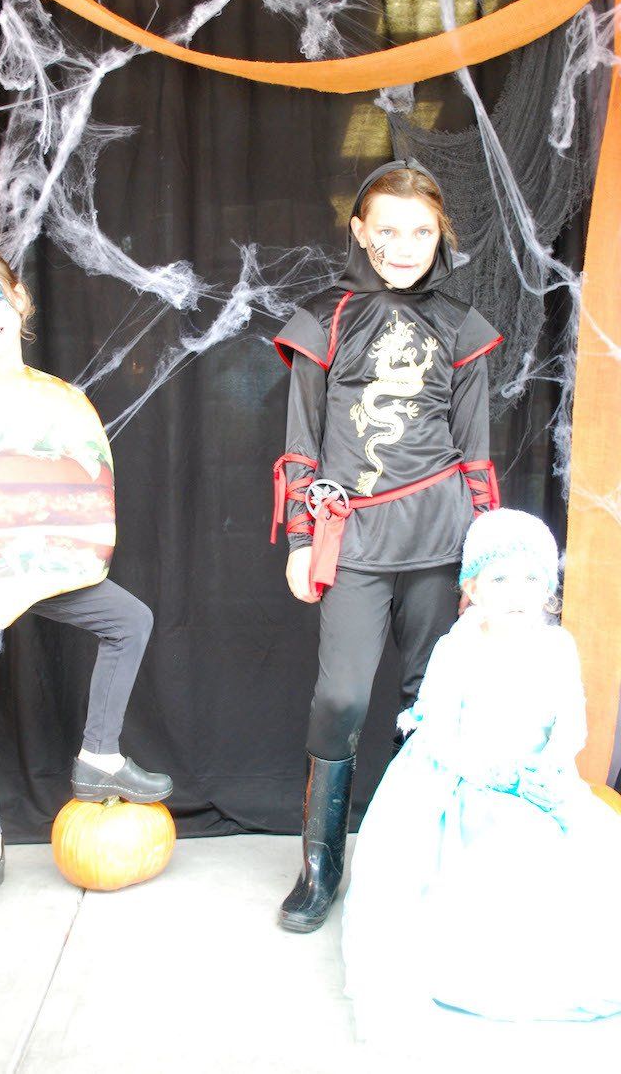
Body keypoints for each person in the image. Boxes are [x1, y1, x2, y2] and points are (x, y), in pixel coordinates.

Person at [0, 247, 172, 907]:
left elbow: (79, 483)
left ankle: (99, 755)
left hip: (34, 559)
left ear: (18, 301)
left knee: (128, 619)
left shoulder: (54, 401)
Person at [270, 160, 502, 932]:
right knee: (341, 696)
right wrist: (302, 538)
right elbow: (302, 444)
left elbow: (474, 453)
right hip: (356, 539)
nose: (405, 245)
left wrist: (486, 563)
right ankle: (320, 867)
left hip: (441, 538)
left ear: (441, 235)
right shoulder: (324, 320)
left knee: (429, 704)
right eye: (390, 229)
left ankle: (415, 862)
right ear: (362, 233)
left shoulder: (463, 326)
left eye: (422, 230)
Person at [341, 508, 621, 1031]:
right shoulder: (459, 646)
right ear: (472, 587)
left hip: (538, 778)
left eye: (532, 579)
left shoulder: (558, 646)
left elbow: (571, 721)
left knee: (572, 865)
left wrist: (552, 765)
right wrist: (493, 775)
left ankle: (544, 951)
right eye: (500, 579)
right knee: (487, 854)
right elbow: (439, 729)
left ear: (549, 590)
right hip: (465, 775)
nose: (517, 593)